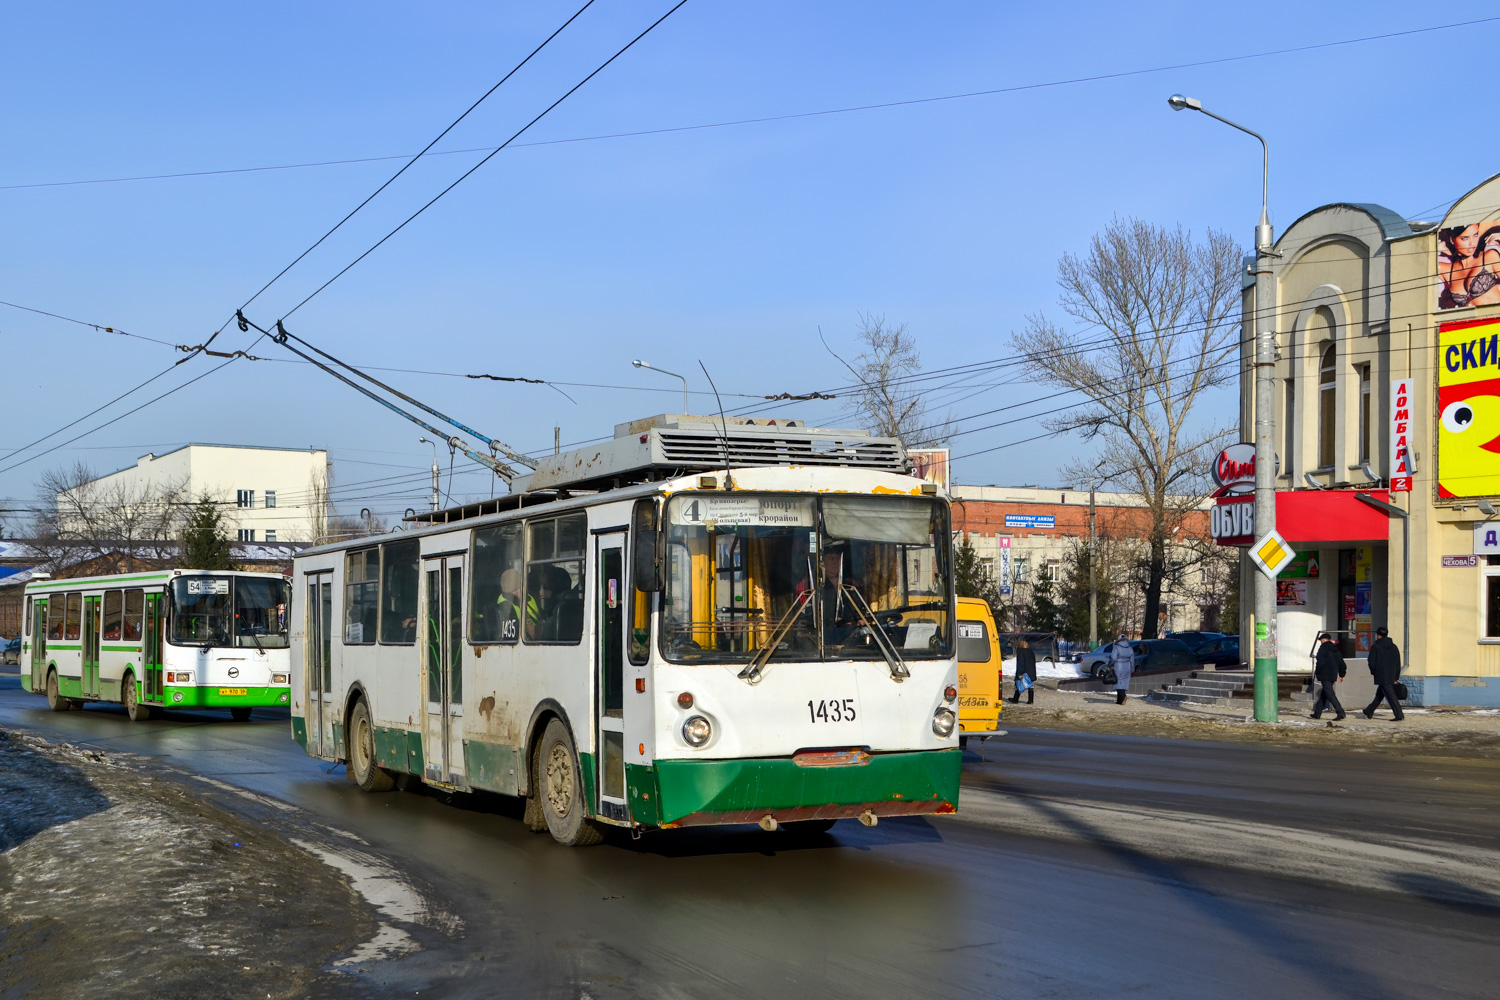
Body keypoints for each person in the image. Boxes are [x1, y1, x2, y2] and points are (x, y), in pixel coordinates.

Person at [1364, 625, 1405, 721]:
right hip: (1391, 675)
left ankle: (1399, 715)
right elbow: (1397, 662)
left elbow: (1371, 661)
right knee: (1380, 694)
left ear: (1378, 635)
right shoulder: (1394, 647)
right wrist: (1396, 676)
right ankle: (1369, 710)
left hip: (1380, 674)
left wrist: (1374, 672)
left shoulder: (1376, 647)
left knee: (1391, 696)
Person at [1310, 632, 1347, 721]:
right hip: (1333, 674)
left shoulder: (1323, 648)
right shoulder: (1335, 649)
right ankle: (1317, 713)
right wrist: (1342, 674)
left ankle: (1340, 712)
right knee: (1324, 693)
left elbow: (1320, 662)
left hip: (1325, 674)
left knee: (1330, 694)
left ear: (1323, 640)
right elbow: (1341, 663)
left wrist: (1317, 672)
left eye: (1321, 640)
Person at [1110, 633, 1135, 705]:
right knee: (1124, 683)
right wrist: (1132, 670)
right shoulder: (1130, 648)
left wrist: (1110, 664)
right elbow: (1132, 660)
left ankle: (1122, 697)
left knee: (1118, 682)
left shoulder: (1116, 647)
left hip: (1118, 666)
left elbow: (1113, 658)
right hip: (1127, 666)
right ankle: (1119, 700)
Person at [1011, 638, 1037, 704]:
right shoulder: (1031, 652)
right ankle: (1030, 700)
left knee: (1018, 685)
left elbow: (1020, 663)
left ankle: (1015, 699)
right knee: (1030, 685)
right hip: (1031, 672)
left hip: (1024, 672)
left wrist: (1019, 673)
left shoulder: (1021, 653)